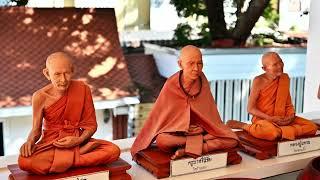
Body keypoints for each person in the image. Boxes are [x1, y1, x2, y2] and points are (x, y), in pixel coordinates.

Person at [18, 52, 120, 175]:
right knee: (25, 162)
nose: (63, 79)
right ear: (47, 73)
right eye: (57, 74)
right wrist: (29, 142)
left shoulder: (83, 89)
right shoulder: (40, 97)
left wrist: (78, 140)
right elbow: (36, 130)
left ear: (72, 71)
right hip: (52, 143)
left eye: (66, 73)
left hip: (77, 139)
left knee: (113, 151)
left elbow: (91, 125)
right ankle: (78, 156)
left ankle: (66, 159)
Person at [131, 45, 239, 160]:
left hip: (200, 132)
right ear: (180, 64)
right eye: (191, 63)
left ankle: (192, 149)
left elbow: (210, 114)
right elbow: (161, 116)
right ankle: (197, 145)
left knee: (231, 139)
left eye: (199, 63)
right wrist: (182, 127)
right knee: (162, 140)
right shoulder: (171, 84)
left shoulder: (202, 81)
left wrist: (202, 127)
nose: (196, 68)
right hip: (178, 133)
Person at [227, 52, 317, 141]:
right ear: (264, 68)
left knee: (312, 127)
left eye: (280, 62)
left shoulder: (284, 78)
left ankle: (281, 132)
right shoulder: (259, 81)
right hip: (264, 120)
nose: (280, 66)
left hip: (283, 118)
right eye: (275, 64)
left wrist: (291, 115)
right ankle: (244, 126)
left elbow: (288, 102)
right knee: (272, 133)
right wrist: (269, 118)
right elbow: (250, 109)